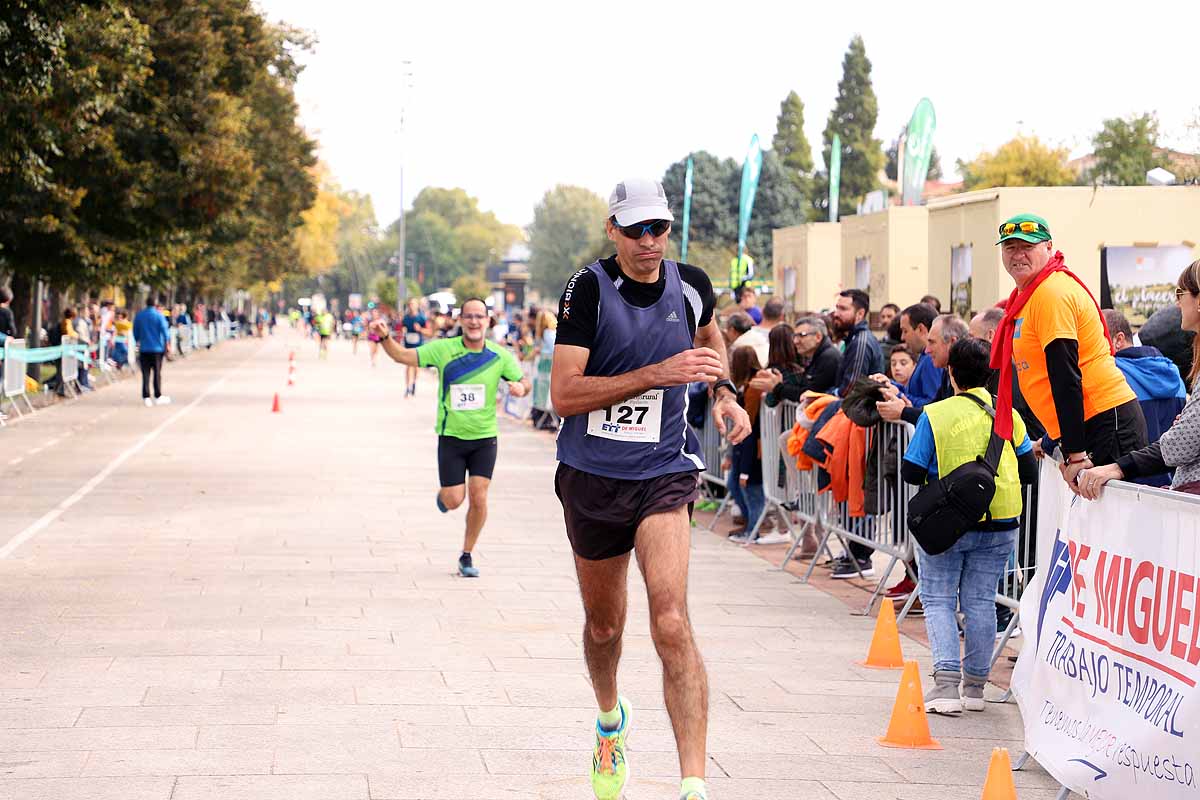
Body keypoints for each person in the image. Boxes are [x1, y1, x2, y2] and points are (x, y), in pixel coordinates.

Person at [549, 177, 750, 800]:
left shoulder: (691, 284)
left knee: (669, 620)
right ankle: (610, 721)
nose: (648, 241)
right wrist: (656, 375)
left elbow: (709, 333)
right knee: (605, 627)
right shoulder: (587, 289)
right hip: (592, 476)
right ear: (613, 230)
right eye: (635, 230)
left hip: (663, 473)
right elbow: (563, 395)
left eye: (658, 228)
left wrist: (723, 392)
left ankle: (694, 784)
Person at [902, 337, 1038, 715]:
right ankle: (975, 688)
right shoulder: (1009, 415)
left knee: (939, 599)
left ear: (950, 372)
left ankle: (946, 686)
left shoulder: (936, 414)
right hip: (1001, 520)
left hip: (948, 523)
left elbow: (912, 471)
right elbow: (1028, 471)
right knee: (980, 601)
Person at [372, 297, 529, 578]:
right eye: (468, 316)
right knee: (455, 499)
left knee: (479, 497)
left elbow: (524, 382)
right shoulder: (444, 349)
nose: (473, 321)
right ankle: (445, 498)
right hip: (451, 438)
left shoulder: (499, 356)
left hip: (484, 438)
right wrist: (384, 337)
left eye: (479, 316)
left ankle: (466, 554)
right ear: (460, 320)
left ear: (488, 321)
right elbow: (403, 356)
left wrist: (520, 386)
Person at [989, 213, 1146, 493]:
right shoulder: (1028, 298)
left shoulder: (1051, 293)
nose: (1018, 255)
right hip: (1091, 422)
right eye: (1010, 247)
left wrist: (1075, 453)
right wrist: (1055, 441)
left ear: (1049, 247)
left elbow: (1065, 376)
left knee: (1112, 530)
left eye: (1027, 246)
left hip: (1104, 420)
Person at [1080, 261, 1200, 499]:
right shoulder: (1174, 372)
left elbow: (1181, 444)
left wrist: (1117, 467)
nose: (1177, 303)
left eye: (1180, 293)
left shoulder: (1116, 373)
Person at [1102, 308, 1187, 487]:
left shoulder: (1111, 375)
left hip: (1127, 489)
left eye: (1096, 338)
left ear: (1119, 339)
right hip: (1172, 491)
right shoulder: (1175, 375)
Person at [727, 346, 767, 543]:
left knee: (751, 488)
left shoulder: (754, 385)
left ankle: (753, 529)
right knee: (735, 484)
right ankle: (749, 525)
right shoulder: (745, 385)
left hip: (753, 444)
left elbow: (750, 422)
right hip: (745, 443)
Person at [831, 288, 883, 395]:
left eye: (843, 309)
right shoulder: (854, 338)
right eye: (837, 308)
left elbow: (851, 386)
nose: (836, 314)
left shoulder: (861, 342)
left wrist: (831, 396)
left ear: (860, 314)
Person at [133, 296, 171, 407]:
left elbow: (135, 331)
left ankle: (146, 397)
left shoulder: (140, 315)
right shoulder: (159, 315)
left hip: (144, 348)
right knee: (157, 373)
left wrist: (138, 340)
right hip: (157, 349)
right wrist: (167, 344)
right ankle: (158, 395)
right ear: (155, 304)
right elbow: (165, 331)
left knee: (145, 373)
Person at [400, 298, 430, 396]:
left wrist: (420, 329)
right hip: (408, 344)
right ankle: (407, 387)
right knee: (408, 365)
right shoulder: (406, 318)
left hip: (418, 345)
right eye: (410, 304)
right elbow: (402, 327)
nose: (411, 306)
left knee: (416, 366)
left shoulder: (422, 318)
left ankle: (414, 383)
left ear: (417, 306)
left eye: (413, 304)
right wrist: (403, 330)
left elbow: (428, 332)